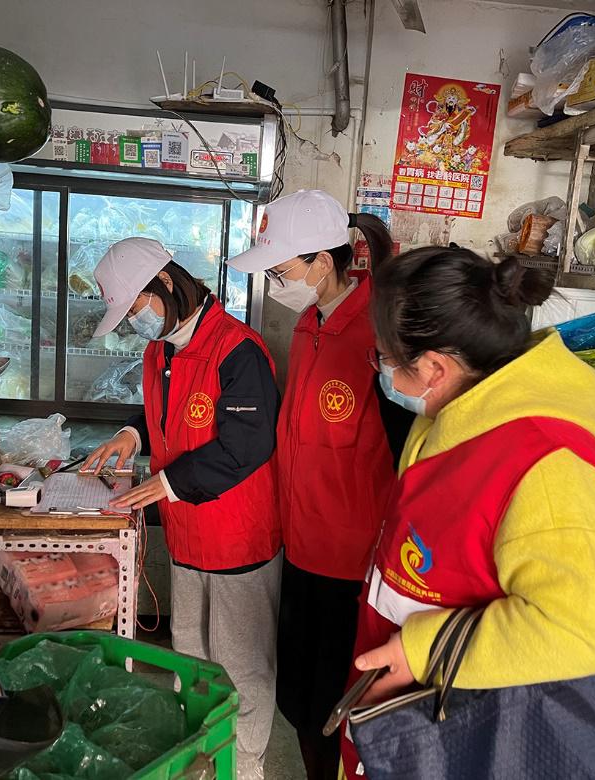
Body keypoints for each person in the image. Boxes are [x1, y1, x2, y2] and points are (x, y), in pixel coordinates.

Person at [342, 247, 595, 778]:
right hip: (423, 723)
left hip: (485, 743)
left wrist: (424, 652)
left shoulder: (549, 468)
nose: (384, 373)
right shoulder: (453, 417)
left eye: (385, 360)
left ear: (435, 366)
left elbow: (582, 629)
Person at [229, 190, 413, 780]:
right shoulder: (310, 323)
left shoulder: (380, 335)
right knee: (303, 698)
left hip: (352, 560)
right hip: (301, 545)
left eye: (282, 270)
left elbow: (408, 451)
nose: (278, 282)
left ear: (323, 262)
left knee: (341, 704)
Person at [82, 237, 281, 780]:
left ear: (167, 283)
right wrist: (131, 434)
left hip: (238, 538)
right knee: (189, 659)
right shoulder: (161, 350)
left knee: (242, 666)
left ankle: (246, 767)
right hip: (187, 534)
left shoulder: (238, 349)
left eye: (137, 307)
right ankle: (202, 756)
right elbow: (161, 415)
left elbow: (248, 443)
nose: (134, 324)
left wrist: (167, 483)